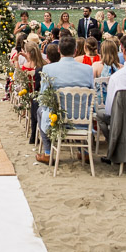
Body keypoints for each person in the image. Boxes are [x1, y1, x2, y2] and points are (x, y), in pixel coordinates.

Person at [36, 35, 94, 163]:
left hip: (57, 120)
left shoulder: (48, 69)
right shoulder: (88, 69)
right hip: (82, 118)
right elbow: (91, 95)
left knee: (40, 110)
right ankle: (84, 151)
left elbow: (43, 96)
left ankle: (48, 152)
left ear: (59, 50)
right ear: (75, 50)